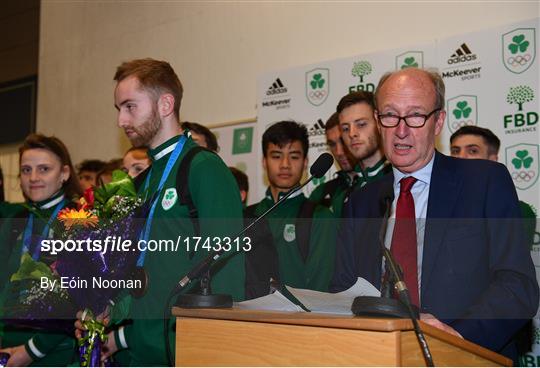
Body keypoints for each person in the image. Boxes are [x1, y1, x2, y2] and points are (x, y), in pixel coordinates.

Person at [331, 68, 538, 361]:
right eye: (390, 115)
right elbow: (343, 291)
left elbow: (518, 286)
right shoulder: (360, 203)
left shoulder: (484, 182)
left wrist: (456, 337)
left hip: (469, 356)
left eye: (416, 116)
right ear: (378, 122)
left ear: (438, 121)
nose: (401, 130)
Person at [93, 58, 244, 366]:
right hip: (139, 352)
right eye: (119, 109)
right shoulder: (145, 179)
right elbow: (142, 264)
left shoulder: (203, 168)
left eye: (130, 107)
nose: (122, 120)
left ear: (165, 104)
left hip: (185, 352)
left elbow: (226, 273)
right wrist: (110, 307)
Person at [0, 134, 82, 366]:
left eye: (44, 169)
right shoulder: (15, 219)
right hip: (9, 341)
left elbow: (77, 300)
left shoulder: (81, 219)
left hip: (57, 350)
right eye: (26, 170)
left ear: (64, 173)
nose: (33, 178)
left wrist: (31, 351)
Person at [244, 121, 336, 298]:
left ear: (306, 162)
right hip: (249, 321)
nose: (285, 164)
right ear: (264, 161)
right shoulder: (247, 216)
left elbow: (320, 290)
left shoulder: (320, 217)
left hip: (299, 323)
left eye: (294, 156)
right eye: (276, 156)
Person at [450, 125, 537, 246]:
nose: (461, 157)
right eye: (455, 151)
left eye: (473, 151)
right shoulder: (435, 204)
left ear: (492, 161)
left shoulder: (520, 211)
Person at [337, 91, 392, 192]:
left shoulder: (400, 180)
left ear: (379, 123)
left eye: (361, 124)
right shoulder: (342, 195)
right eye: (345, 128)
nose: (352, 134)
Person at [309, 112, 357, 216]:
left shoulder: (386, 181)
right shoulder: (320, 193)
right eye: (332, 144)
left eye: (343, 141)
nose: (339, 152)